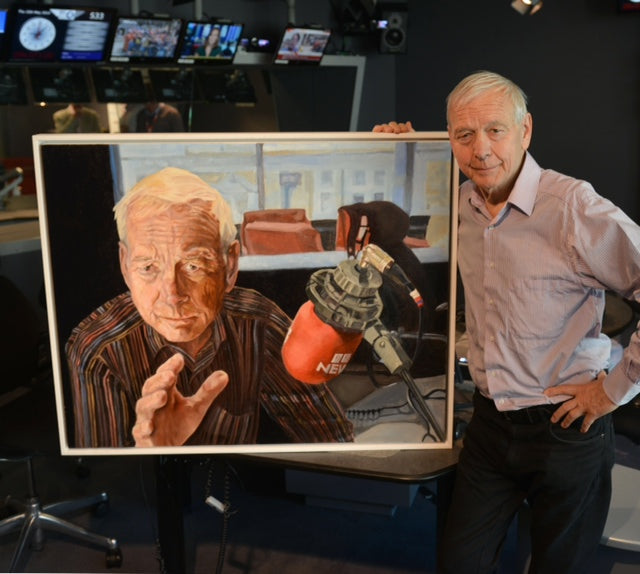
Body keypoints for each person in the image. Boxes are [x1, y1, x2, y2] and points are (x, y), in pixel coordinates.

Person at [374, 70, 640, 573]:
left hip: (566, 426)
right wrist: (389, 154)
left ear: (526, 131)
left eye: (495, 130)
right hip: (491, 427)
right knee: (459, 563)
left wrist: (615, 391)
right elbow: (400, 236)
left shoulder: (572, 207)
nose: (481, 149)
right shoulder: (460, 206)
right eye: (464, 135)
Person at [66, 167, 354, 448]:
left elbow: (332, 439)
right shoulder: (97, 350)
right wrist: (150, 452)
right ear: (125, 267)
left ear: (229, 266)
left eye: (193, 265)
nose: (172, 293)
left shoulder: (258, 323)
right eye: (148, 267)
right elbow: (104, 479)